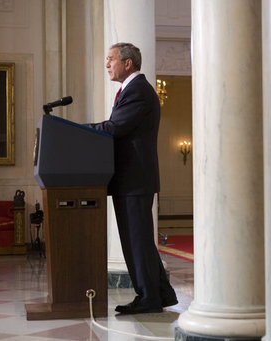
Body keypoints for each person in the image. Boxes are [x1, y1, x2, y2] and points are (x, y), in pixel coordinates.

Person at [85, 42, 178, 314]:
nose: (107, 64)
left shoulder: (138, 90)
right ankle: (157, 293)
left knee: (137, 241)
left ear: (128, 63)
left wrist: (81, 130)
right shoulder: (131, 90)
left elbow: (117, 127)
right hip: (130, 179)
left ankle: (149, 297)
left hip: (135, 179)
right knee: (138, 241)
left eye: (111, 59)